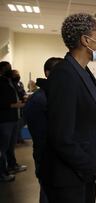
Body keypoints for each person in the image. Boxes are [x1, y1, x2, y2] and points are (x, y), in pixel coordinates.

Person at [40, 13, 96, 203]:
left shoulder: (83, 72)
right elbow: (62, 138)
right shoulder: (64, 75)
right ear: (85, 40)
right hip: (68, 179)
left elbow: (85, 128)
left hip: (83, 171)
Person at [23, 57, 63, 203]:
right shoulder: (39, 99)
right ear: (48, 73)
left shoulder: (55, 95)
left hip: (59, 158)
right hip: (48, 156)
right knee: (49, 193)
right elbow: (43, 136)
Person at [0, 61, 27, 183]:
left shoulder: (10, 82)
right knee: (3, 148)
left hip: (14, 118)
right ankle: (2, 173)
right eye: (8, 68)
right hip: (5, 120)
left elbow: (18, 94)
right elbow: (2, 102)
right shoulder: (1, 83)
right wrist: (14, 105)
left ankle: (12, 165)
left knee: (11, 146)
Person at [11, 69, 26, 144]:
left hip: (20, 109)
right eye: (16, 75)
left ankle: (18, 138)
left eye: (18, 74)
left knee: (19, 124)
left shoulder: (19, 84)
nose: (18, 76)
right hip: (14, 110)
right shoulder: (11, 86)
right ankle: (18, 138)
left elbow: (22, 93)